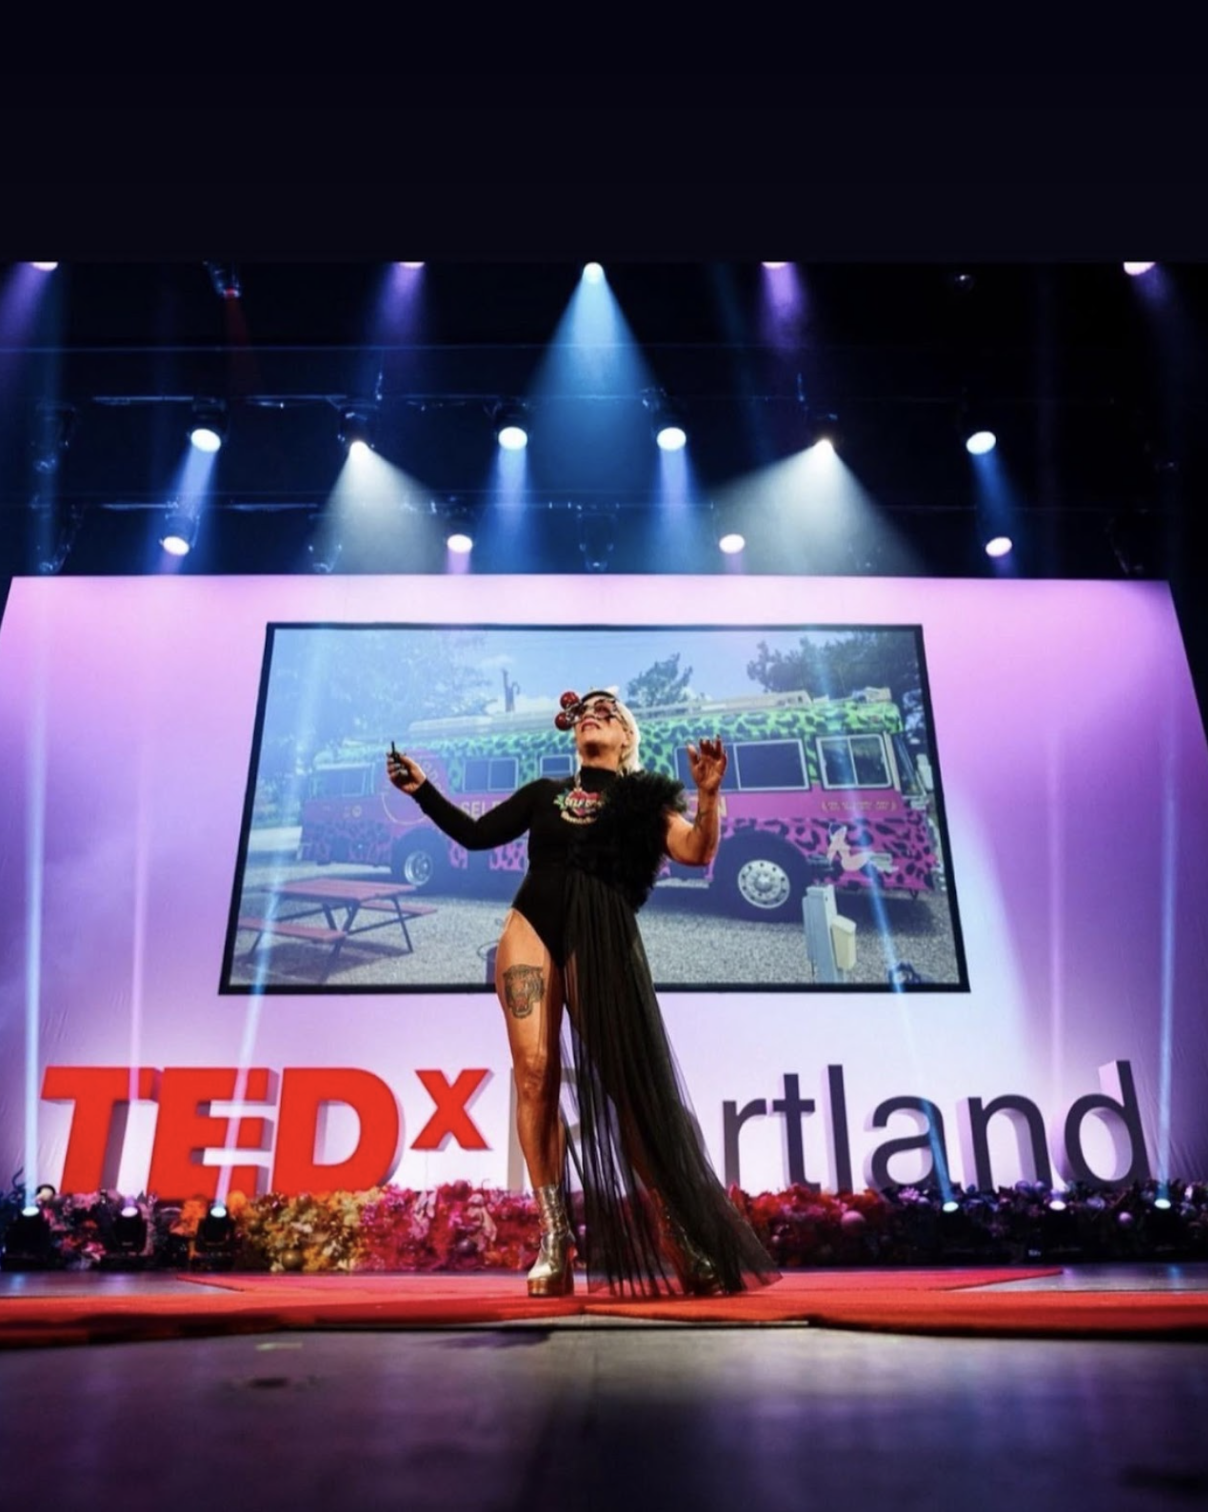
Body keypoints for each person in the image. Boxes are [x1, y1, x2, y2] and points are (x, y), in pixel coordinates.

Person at [387, 689, 779, 1299]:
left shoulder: (643, 800)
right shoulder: (543, 793)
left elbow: (696, 851)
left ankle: (675, 1229)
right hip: (532, 925)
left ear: (626, 738)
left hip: (601, 935)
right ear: (574, 733)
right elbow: (475, 834)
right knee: (534, 1073)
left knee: (630, 1089)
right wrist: (423, 791)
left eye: (609, 712)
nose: (594, 715)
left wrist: (707, 796)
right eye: (586, 711)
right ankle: (554, 1238)